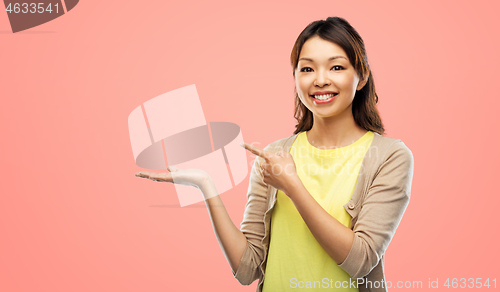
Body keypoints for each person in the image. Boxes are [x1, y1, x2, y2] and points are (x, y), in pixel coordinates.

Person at [135, 16, 414, 292]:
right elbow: (247, 269)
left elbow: (362, 260)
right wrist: (207, 186)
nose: (320, 80)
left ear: (362, 76)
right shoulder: (274, 155)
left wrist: (292, 185)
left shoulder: (389, 157)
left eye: (336, 67)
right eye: (306, 69)